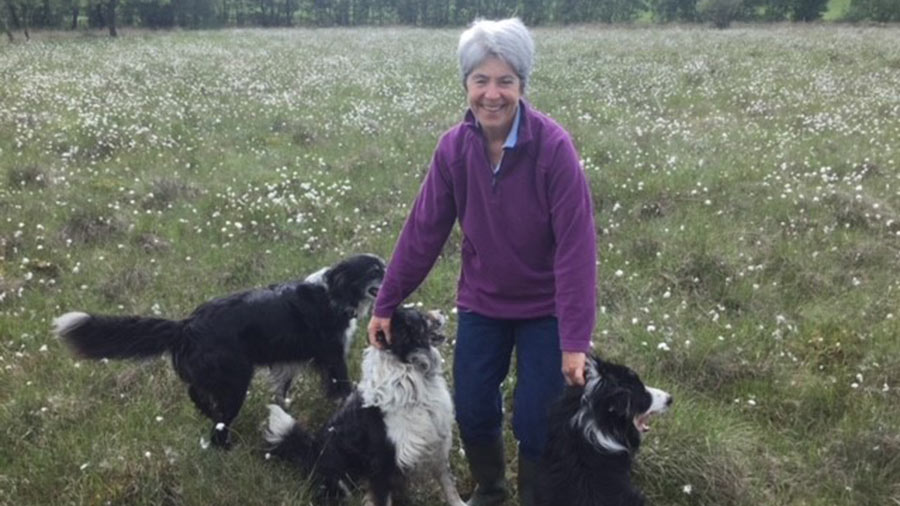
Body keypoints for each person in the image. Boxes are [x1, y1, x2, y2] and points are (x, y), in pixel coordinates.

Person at [367, 17, 597, 506]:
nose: (492, 94)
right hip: (482, 302)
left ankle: (535, 497)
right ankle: (491, 491)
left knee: (537, 417)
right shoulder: (453, 149)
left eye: (505, 81)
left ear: (522, 86)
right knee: (471, 408)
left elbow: (578, 252)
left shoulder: (553, 149)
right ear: (466, 84)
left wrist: (575, 341)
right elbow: (423, 231)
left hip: (546, 308)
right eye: (481, 80)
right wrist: (386, 302)